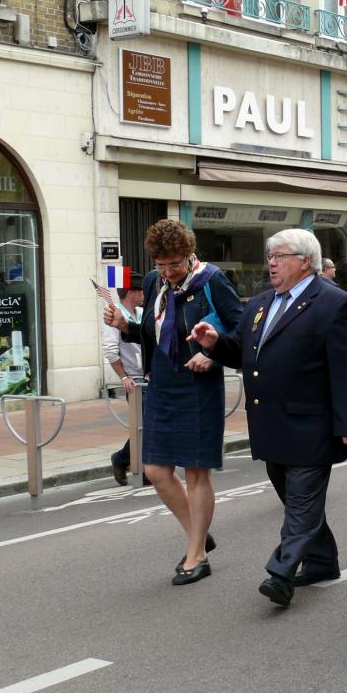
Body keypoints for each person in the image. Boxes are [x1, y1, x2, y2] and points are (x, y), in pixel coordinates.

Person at [191, 229, 347, 608]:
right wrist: (214, 343)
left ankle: (281, 572)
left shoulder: (335, 304)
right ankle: (322, 561)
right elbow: (241, 351)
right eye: (269, 255)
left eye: (280, 256)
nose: (271, 262)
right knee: (294, 500)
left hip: (312, 424)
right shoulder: (260, 303)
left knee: (301, 504)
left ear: (305, 261)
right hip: (271, 423)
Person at [104, 219, 243, 586]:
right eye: (160, 264)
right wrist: (124, 325)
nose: (166, 271)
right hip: (162, 386)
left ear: (189, 254)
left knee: (196, 472)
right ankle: (199, 532)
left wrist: (213, 356)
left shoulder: (210, 280)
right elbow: (153, 332)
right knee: (155, 470)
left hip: (198, 386)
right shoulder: (154, 284)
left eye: (174, 264)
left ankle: (196, 553)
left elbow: (241, 330)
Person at [103, 272, 145, 486]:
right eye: (140, 291)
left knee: (149, 424)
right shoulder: (116, 316)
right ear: (131, 293)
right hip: (134, 380)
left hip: (147, 377)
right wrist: (123, 376)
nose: (144, 294)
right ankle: (123, 460)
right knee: (144, 424)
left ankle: (130, 461)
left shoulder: (141, 312)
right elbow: (110, 351)